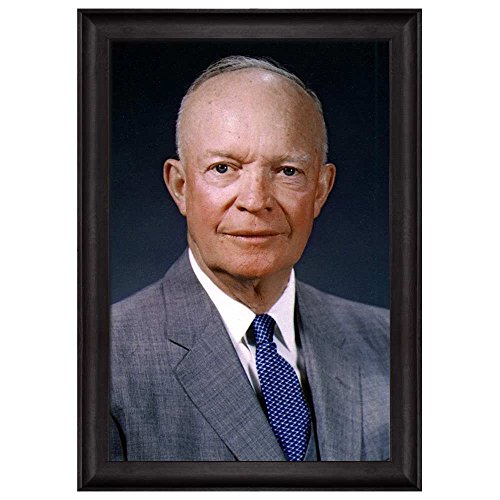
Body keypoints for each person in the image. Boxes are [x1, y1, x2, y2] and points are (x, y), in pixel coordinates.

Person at [110, 56, 389, 462]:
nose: (255, 201)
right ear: (181, 186)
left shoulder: (394, 344)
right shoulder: (99, 361)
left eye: (288, 171)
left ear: (321, 190)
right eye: (224, 168)